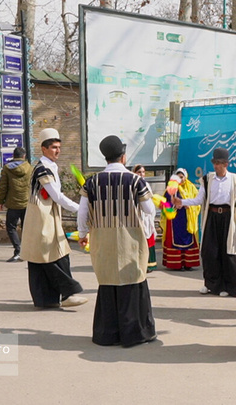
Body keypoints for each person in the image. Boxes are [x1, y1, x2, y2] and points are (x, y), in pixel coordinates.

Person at [77, 135, 157, 347]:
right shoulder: (135, 181)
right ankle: (135, 334)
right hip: (130, 240)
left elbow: (82, 212)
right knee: (131, 283)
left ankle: (107, 334)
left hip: (102, 239)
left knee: (108, 282)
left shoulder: (91, 182)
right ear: (123, 157)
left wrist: (83, 233)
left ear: (106, 158)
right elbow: (150, 209)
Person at [20, 128, 88, 308]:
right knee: (54, 255)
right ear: (43, 149)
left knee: (44, 257)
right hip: (42, 217)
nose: (57, 151)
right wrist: (80, 209)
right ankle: (68, 292)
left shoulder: (49, 167)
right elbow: (56, 196)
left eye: (59, 147)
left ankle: (46, 299)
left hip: (47, 214)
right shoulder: (43, 169)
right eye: (53, 147)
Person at [173, 148, 236, 297]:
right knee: (210, 251)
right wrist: (182, 202)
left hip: (228, 218)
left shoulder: (235, 180)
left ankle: (229, 286)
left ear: (226, 164)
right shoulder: (207, 179)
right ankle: (211, 284)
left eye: (219, 163)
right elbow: (198, 199)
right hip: (212, 216)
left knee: (227, 252)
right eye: (214, 163)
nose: (216, 166)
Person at [0, 146, 33, 262]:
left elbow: (3, 187)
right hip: (27, 203)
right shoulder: (30, 168)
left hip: (13, 204)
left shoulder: (7, 168)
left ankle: (18, 250)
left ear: (13, 156)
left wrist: (0, 202)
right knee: (26, 228)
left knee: (11, 227)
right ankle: (27, 252)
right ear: (24, 156)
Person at [161, 168, 201, 270]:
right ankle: (176, 264)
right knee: (175, 240)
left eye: (182, 177)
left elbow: (198, 203)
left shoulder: (191, 187)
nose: (180, 179)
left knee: (188, 240)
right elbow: (165, 203)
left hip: (188, 219)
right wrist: (174, 206)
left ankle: (188, 264)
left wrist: (189, 206)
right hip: (175, 220)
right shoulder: (171, 189)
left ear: (185, 177)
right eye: (178, 177)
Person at [133, 164, 158, 272]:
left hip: (147, 216)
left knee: (149, 239)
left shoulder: (146, 184)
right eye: (139, 172)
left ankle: (150, 264)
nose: (142, 174)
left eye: (143, 172)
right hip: (138, 215)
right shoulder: (132, 184)